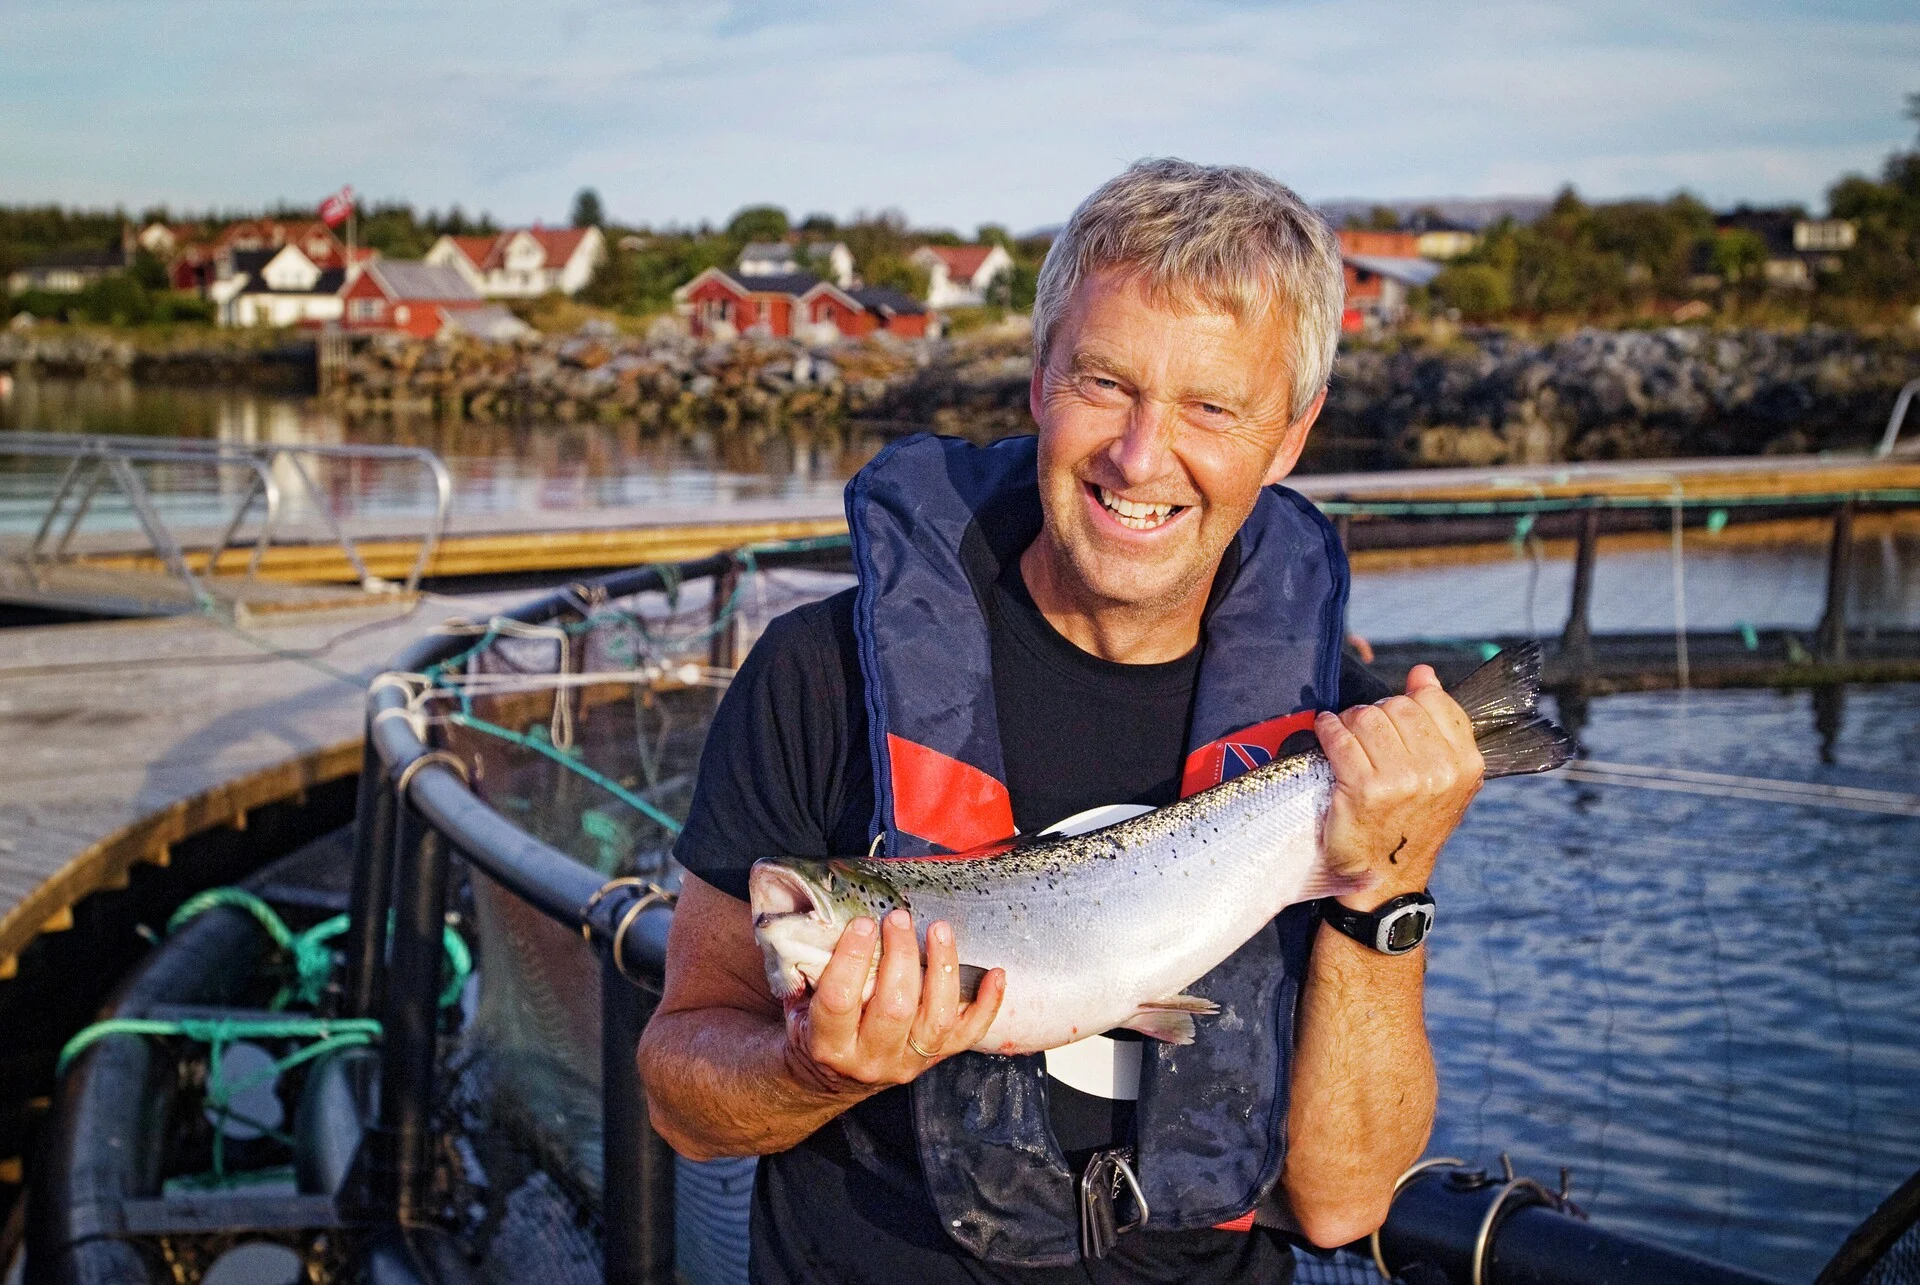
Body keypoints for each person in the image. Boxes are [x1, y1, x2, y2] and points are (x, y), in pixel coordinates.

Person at [636, 158, 1486, 1283]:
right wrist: (812, 1073)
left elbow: (1343, 1202)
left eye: (1212, 408)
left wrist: (1393, 878)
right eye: (1105, 384)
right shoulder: (818, 674)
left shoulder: (1343, 740)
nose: (1141, 456)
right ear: (1039, 380)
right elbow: (682, 1099)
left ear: (1288, 436)